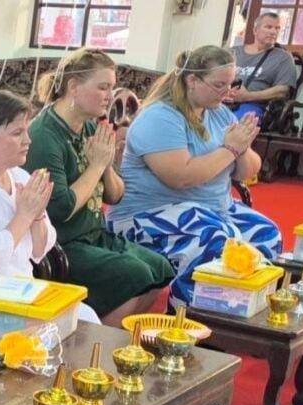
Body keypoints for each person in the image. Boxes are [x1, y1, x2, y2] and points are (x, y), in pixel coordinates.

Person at [108, 46, 281, 307]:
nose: (227, 92)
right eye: (219, 85)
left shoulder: (219, 112)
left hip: (213, 209)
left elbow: (247, 171)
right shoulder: (160, 117)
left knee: (267, 234)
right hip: (148, 214)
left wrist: (241, 148)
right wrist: (230, 148)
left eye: (231, 83)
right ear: (192, 80)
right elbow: (181, 177)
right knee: (217, 241)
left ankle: (239, 313)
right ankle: (182, 322)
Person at [24, 48, 175, 324]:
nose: (110, 95)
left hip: (94, 235)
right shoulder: (45, 136)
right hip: (60, 244)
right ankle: (96, 344)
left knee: (160, 269)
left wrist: (105, 164)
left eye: (112, 87)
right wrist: (95, 167)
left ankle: (112, 337)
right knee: (136, 275)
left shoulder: (91, 127)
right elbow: (61, 209)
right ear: (74, 87)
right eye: (103, 87)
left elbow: (116, 195)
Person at [0, 90, 101, 325]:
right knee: (60, 328)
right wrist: (24, 215)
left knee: (87, 317)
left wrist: (36, 218)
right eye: (17, 133)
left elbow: (40, 250)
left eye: (26, 130)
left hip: (18, 291)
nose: (28, 141)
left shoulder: (19, 177)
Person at [229, 12, 298, 121]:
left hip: (255, 106)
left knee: (234, 122)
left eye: (277, 28)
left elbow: (282, 91)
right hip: (223, 102)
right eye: (268, 27)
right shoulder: (233, 52)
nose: (273, 32)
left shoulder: (283, 58)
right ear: (255, 30)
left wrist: (247, 96)